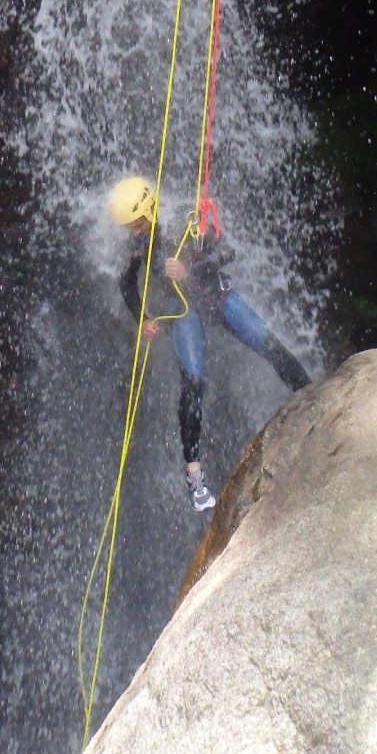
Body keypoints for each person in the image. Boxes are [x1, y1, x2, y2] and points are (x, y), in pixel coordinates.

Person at [109, 176, 311, 512]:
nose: (136, 230)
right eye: (131, 226)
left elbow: (225, 252)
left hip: (214, 297)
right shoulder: (140, 244)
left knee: (269, 344)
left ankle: (312, 394)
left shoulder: (187, 221)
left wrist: (188, 269)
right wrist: (141, 318)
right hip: (184, 310)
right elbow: (127, 284)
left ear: (150, 209)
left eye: (138, 222)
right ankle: (195, 477)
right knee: (194, 383)